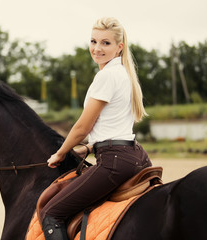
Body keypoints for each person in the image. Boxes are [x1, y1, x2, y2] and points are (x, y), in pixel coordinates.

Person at [40, 17, 152, 240]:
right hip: (137, 156)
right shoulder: (123, 73)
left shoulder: (106, 76)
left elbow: (82, 126)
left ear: (119, 47)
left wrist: (61, 153)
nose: (97, 48)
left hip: (114, 162)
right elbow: (114, 125)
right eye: (93, 41)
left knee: (51, 213)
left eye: (105, 43)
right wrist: (90, 148)